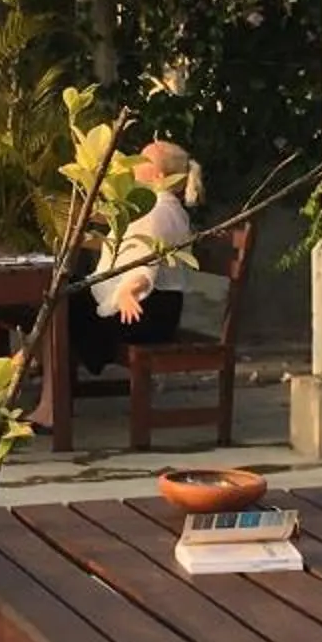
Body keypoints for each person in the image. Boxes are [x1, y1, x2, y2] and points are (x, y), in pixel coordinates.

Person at [29, 139, 200, 433]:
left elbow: (146, 261)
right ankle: (40, 380)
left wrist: (128, 291)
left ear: (160, 177)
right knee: (61, 300)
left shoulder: (158, 211)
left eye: (142, 162)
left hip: (145, 311)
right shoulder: (160, 207)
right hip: (155, 306)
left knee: (60, 307)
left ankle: (48, 403)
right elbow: (131, 249)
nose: (132, 167)